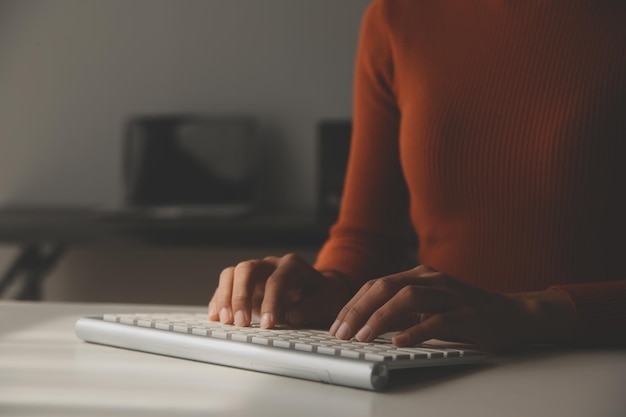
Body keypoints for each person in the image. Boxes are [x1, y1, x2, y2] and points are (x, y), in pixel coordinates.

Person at [209, 0, 626, 352]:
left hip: (596, 367)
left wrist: (527, 312)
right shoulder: (398, 16)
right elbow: (367, 237)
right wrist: (323, 288)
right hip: (436, 364)